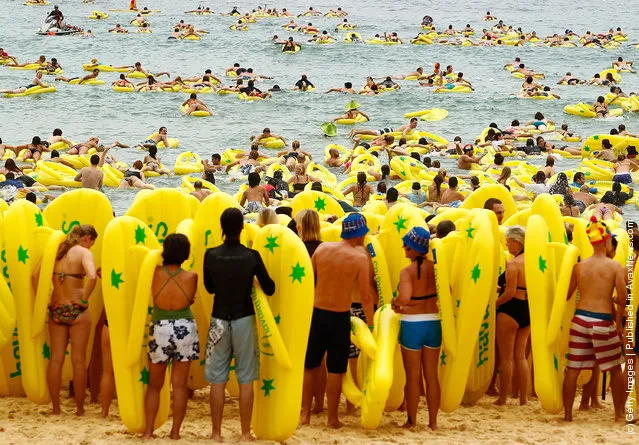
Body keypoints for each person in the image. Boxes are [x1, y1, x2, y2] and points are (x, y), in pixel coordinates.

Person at [203, 208, 275, 442]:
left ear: (221, 228)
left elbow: (210, 288)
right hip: (244, 318)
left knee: (217, 378)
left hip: (219, 319)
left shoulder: (210, 255)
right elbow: (270, 287)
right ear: (243, 227)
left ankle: (216, 433)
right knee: (245, 378)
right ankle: (245, 433)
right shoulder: (252, 256)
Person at [301, 213, 372, 428]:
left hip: (317, 313)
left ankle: (305, 414)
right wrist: (370, 325)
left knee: (310, 365)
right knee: (335, 369)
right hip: (340, 316)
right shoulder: (360, 257)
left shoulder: (323, 249)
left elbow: (308, 280)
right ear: (359, 234)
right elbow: (366, 296)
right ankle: (332, 418)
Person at [563, 217, 627, 422]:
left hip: (580, 318)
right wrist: (618, 325)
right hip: (602, 319)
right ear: (607, 241)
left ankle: (568, 415)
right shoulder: (614, 267)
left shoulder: (579, 267)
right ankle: (618, 413)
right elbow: (623, 298)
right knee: (615, 368)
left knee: (573, 368)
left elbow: (567, 295)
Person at [32, 225, 97, 415]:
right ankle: (79, 408)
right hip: (77, 310)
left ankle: (56, 408)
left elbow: (35, 276)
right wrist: (84, 298)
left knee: (56, 359)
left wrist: (45, 301)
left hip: (57, 308)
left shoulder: (56, 251)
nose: (91, 247)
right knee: (78, 360)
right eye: (92, 243)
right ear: (86, 238)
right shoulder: (83, 253)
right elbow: (92, 276)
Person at [143, 234, 199, 440]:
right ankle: (175, 432)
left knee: (154, 385)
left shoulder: (154, 272)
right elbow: (190, 300)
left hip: (160, 326)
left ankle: (148, 431)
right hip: (185, 326)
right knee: (180, 385)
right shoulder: (192, 276)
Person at [391, 227, 440, 429]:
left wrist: (396, 302)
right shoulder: (436, 268)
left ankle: (411, 421)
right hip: (433, 322)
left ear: (414, 248)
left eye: (406, 246)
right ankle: (433, 422)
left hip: (412, 324)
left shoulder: (407, 272)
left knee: (412, 377)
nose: (403, 249)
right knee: (431, 375)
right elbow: (446, 293)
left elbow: (404, 298)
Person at [494, 227, 530, 406]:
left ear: (517, 242)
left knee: (506, 357)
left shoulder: (514, 264)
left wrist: (494, 304)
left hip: (511, 309)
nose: (507, 245)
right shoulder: (533, 261)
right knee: (521, 357)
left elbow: (510, 293)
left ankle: (503, 398)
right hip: (527, 309)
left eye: (508, 242)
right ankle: (523, 398)